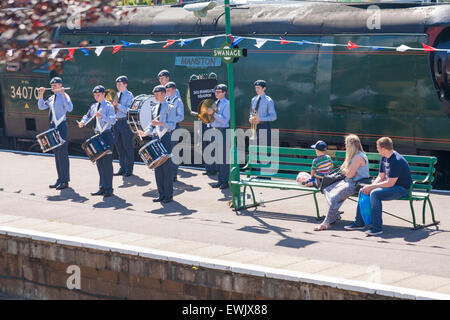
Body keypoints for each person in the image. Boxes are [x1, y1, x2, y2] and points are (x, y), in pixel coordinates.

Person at [345, 137, 412, 236]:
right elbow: (381, 176)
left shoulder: (396, 160)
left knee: (375, 194)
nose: (377, 150)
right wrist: (370, 186)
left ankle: (377, 228)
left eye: (378, 148)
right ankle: (359, 223)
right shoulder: (384, 157)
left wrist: (372, 188)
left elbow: (390, 183)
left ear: (383, 148)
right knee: (363, 190)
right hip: (391, 185)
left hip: (402, 188)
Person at [314, 134, 370, 231]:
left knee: (334, 197)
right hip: (348, 181)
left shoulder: (358, 157)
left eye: (346, 144)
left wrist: (345, 171)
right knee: (326, 189)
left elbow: (349, 174)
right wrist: (345, 170)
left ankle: (326, 222)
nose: (345, 146)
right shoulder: (352, 155)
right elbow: (342, 169)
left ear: (351, 145)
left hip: (355, 184)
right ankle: (334, 215)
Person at [137, 85, 177, 203]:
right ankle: (161, 194)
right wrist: (145, 133)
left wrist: (160, 123)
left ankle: (168, 196)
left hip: (165, 137)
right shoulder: (154, 108)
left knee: (167, 168)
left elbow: (172, 125)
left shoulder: (170, 107)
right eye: (154, 94)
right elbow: (151, 124)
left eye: (157, 94)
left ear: (164, 94)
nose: (155, 96)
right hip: (155, 137)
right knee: (157, 167)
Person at [78, 85, 117, 197]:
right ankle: (102, 187)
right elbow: (87, 115)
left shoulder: (108, 106)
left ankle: (109, 189)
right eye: (95, 95)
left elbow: (113, 121)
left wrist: (102, 116)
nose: (96, 97)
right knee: (99, 162)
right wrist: (82, 122)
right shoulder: (94, 106)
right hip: (97, 135)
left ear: (104, 94)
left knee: (107, 163)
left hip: (106, 135)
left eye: (98, 95)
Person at [38, 77, 73, 190]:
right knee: (57, 154)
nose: (53, 87)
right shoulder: (52, 98)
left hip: (61, 126)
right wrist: (41, 95)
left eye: (55, 85)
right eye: (52, 85)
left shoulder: (65, 96)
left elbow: (70, 108)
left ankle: (65, 181)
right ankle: (60, 179)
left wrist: (63, 95)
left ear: (60, 85)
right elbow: (41, 106)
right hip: (53, 126)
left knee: (63, 154)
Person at [208, 84, 230, 190]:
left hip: (223, 131)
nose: (216, 93)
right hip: (215, 131)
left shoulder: (227, 103)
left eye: (218, 91)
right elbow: (213, 118)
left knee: (224, 158)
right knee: (217, 157)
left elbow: (225, 120)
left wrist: (213, 114)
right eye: (215, 91)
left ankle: (225, 181)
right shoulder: (215, 103)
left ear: (224, 92)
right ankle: (220, 180)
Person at [112, 75, 135, 177]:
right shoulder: (116, 94)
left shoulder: (130, 96)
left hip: (125, 122)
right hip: (116, 122)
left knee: (127, 147)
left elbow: (128, 111)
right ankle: (122, 167)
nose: (118, 86)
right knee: (119, 147)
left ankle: (129, 169)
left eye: (120, 84)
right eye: (117, 84)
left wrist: (117, 105)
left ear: (125, 84)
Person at [165, 81, 184, 182]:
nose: (167, 92)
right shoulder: (165, 100)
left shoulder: (178, 101)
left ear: (174, 90)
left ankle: (173, 175)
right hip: (166, 128)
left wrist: (171, 119)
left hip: (174, 128)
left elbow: (181, 116)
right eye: (166, 90)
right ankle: (167, 174)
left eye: (168, 90)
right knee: (166, 152)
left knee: (174, 152)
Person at [249, 80, 277, 146]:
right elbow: (251, 112)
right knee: (255, 148)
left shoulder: (268, 100)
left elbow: (273, 116)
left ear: (264, 88)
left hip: (264, 127)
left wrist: (261, 119)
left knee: (264, 149)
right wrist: (250, 118)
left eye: (258, 88)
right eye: (256, 87)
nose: (256, 89)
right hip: (254, 127)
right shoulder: (253, 99)